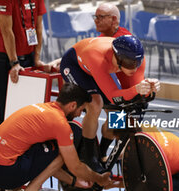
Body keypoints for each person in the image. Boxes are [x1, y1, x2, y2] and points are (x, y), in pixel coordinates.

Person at [0, 83, 112, 191]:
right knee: (61, 149)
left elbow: (43, 162)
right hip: (4, 173)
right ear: (72, 105)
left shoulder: (43, 107)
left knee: (33, 145)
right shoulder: (60, 124)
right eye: (81, 110)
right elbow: (75, 167)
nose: (79, 115)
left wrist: (73, 181)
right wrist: (98, 179)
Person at [59, 35, 160, 175]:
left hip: (103, 68)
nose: (134, 68)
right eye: (129, 63)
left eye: (137, 62)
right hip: (75, 65)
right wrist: (136, 90)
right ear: (117, 58)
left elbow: (134, 96)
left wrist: (150, 88)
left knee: (117, 112)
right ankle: (90, 157)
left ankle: (101, 152)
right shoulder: (98, 59)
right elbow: (114, 97)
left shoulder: (134, 62)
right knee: (96, 103)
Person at [0, 0, 49, 131]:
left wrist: (37, 58)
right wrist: (14, 62)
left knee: (28, 108)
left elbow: (38, 27)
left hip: (29, 56)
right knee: (5, 107)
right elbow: (6, 31)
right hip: (6, 59)